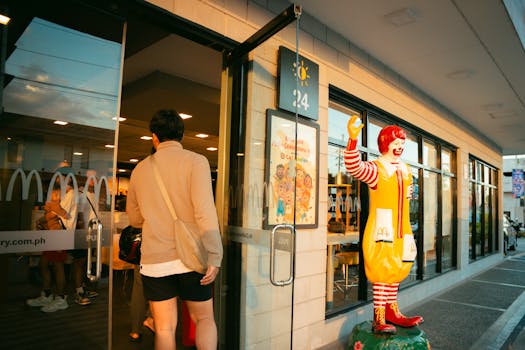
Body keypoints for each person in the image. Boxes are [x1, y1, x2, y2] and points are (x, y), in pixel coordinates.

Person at [126, 109, 223, 350]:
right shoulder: (196, 162)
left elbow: (135, 218)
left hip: (155, 261)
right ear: (181, 134)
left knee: (164, 328)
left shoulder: (139, 169)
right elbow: (204, 212)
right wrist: (214, 254)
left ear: (154, 137)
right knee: (204, 319)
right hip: (190, 258)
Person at [344, 115, 423, 334]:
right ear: (385, 143)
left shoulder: (405, 169)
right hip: (383, 227)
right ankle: (378, 316)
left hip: (402, 227)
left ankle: (392, 311)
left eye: (401, 143)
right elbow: (354, 167)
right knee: (382, 267)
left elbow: (408, 195)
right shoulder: (377, 168)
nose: (399, 147)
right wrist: (352, 139)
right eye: (395, 143)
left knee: (398, 267)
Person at [27, 180, 77, 312]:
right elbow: (50, 214)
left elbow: (55, 215)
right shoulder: (63, 197)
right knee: (44, 264)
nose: (54, 195)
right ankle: (47, 294)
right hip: (52, 236)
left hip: (58, 236)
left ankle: (60, 298)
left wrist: (45, 217)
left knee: (57, 265)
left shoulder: (69, 196)